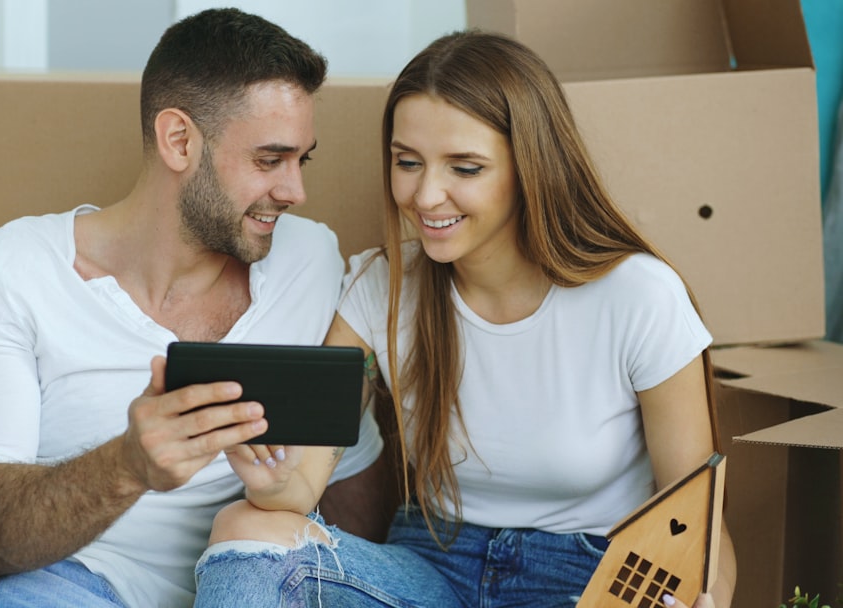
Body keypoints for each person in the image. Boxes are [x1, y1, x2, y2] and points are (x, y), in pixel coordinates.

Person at [0, 8, 385, 607]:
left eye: (302, 159)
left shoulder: (309, 261)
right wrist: (128, 465)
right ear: (178, 141)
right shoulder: (6, 269)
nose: (296, 190)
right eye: (269, 160)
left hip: (182, 588)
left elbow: (348, 490)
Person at [192, 30, 737, 608]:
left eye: (466, 168)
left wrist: (711, 598)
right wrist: (277, 482)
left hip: (585, 576)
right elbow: (302, 484)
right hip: (432, 569)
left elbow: (698, 525)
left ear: (530, 167)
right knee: (243, 528)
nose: (427, 195)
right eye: (408, 162)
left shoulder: (639, 297)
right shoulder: (381, 288)